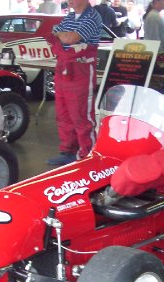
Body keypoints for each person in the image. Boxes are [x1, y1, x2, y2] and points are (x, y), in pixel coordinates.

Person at [46, 0, 102, 166]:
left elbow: (70, 38)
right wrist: (61, 34)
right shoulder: (69, 16)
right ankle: (68, 152)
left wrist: (60, 34)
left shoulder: (92, 17)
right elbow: (56, 32)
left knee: (81, 116)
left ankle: (88, 155)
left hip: (81, 71)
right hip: (64, 69)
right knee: (63, 114)